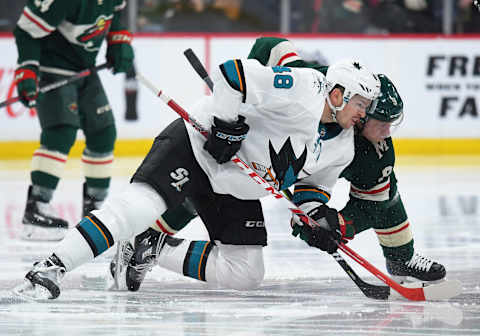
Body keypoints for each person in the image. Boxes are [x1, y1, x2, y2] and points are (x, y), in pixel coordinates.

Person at [13, 47, 381, 299]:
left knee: (246, 272)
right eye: (361, 104)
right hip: (197, 149)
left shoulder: (343, 146)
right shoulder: (305, 87)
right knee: (139, 207)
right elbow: (233, 73)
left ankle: (150, 245)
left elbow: (312, 189)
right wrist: (225, 125)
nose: (363, 114)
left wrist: (319, 220)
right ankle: (50, 268)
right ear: (337, 94)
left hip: (238, 186)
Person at [111, 37, 445, 292]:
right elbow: (269, 46)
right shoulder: (315, 85)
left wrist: (333, 223)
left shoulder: (375, 154)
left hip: (284, 166)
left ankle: (402, 258)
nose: (387, 132)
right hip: (259, 149)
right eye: (381, 121)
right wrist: (242, 111)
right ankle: (146, 239)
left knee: (388, 195)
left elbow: (374, 206)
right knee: (204, 184)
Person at [13, 0, 134, 241]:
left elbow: (115, 15)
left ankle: (95, 210)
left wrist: (118, 41)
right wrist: (26, 70)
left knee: (103, 133)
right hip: (53, 68)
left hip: (84, 70)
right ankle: (36, 207)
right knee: (61, 132)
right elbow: (26, 30)